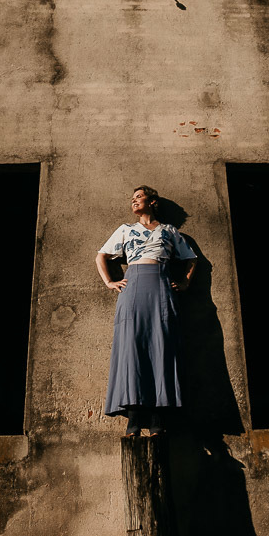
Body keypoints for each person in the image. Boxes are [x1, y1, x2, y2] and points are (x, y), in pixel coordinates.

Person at [96, 186, 198, 436]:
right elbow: (101, 256)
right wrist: (110, 282)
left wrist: (185, 282)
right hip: (133, 288)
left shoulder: (169, 231)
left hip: (162, 288)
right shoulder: (125, 230)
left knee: (161, 346)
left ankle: (157, 419)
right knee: (132, 347)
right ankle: (133, 418)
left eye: (139, 197)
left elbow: (191, 258)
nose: (134, 201)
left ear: (153, 202)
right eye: (132, 199)